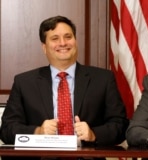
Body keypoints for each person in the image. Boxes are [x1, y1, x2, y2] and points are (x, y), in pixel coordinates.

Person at [0, 15, 128, 160]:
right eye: (55, 39)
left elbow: (120, 125)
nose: (63, 43)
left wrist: (93, 134)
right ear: (44, 47)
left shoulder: (103, 79)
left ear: (75, 41)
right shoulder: (24, 82)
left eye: (68, 37)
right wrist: (37, 131)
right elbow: (6, 130)